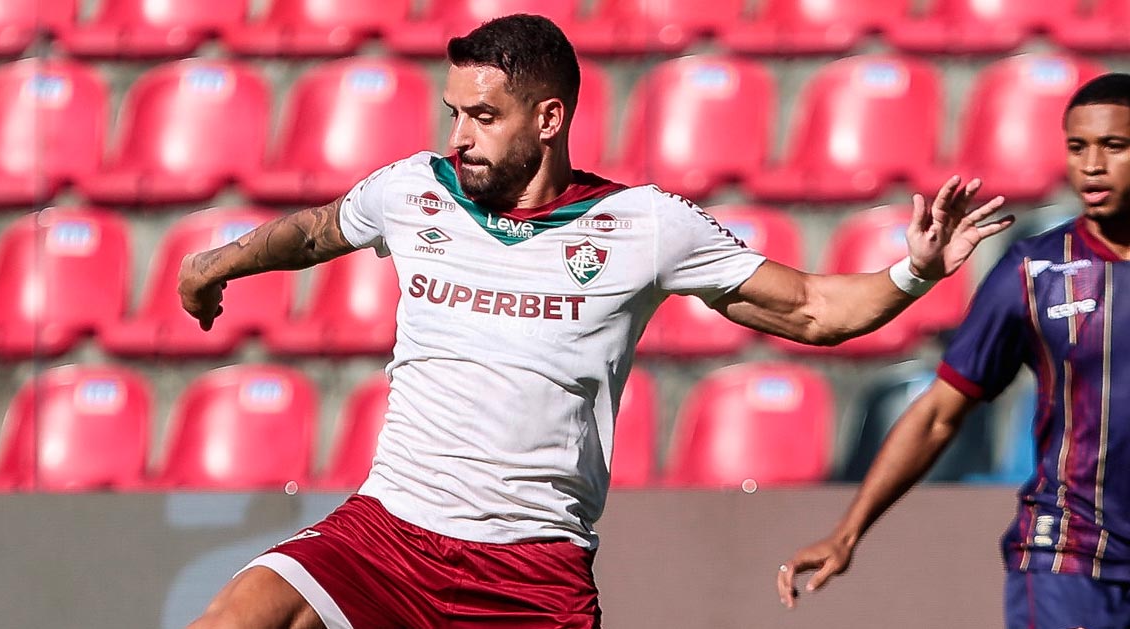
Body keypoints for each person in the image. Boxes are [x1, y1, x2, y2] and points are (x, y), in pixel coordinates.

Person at [179, 14, 1010, 629]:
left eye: (483, 117)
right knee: (235, 619)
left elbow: (816, 310)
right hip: (387, 534)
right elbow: (315, 230)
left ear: (549, 120)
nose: (459, 137)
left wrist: (915, 270)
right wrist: (216, 264)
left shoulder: (644, 226)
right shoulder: (414, 189)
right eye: (454, 112)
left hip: (529, 572)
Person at [777, 72, 1130, 629]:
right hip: (1068, 555)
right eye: (1076, 147)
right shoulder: (1034, 271)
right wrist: (847, 532)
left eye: (1114, 146)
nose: (1091, 165)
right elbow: (939, 414)